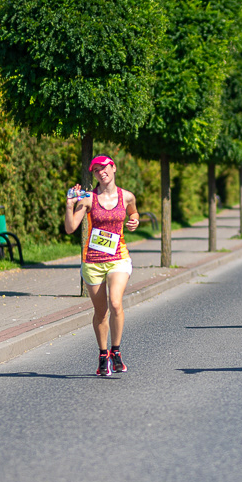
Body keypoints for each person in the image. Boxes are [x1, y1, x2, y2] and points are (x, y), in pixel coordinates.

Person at [65, 155, 140, 376]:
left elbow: (133, 212)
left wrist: (135, 220)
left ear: (113, 168)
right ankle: (103, 354)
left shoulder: (127, 196)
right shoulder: (88, 198)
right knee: (101, 312)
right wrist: (69, 205)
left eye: (104, 167)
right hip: (93, 262)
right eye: (96, 170)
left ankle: (116, 351)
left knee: (115, 303)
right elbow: (70, 228)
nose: (101, 172)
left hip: (118, 258)